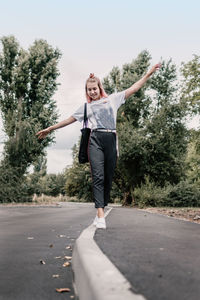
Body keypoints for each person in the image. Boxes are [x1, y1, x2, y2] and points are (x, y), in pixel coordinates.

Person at [36, 63, 161, 229]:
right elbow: (69, 119)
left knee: (108, 178)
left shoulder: (112, 100)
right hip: (95, 140)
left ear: (99, 88)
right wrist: (50, 129)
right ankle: (101, 214)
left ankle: (99, 212)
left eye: (94, 88)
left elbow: (134, 88)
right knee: (98, 176)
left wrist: (149, 73)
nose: (92, 92)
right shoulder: (87, 107)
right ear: (86, 91)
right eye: (89, 90)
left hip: (111, 140)